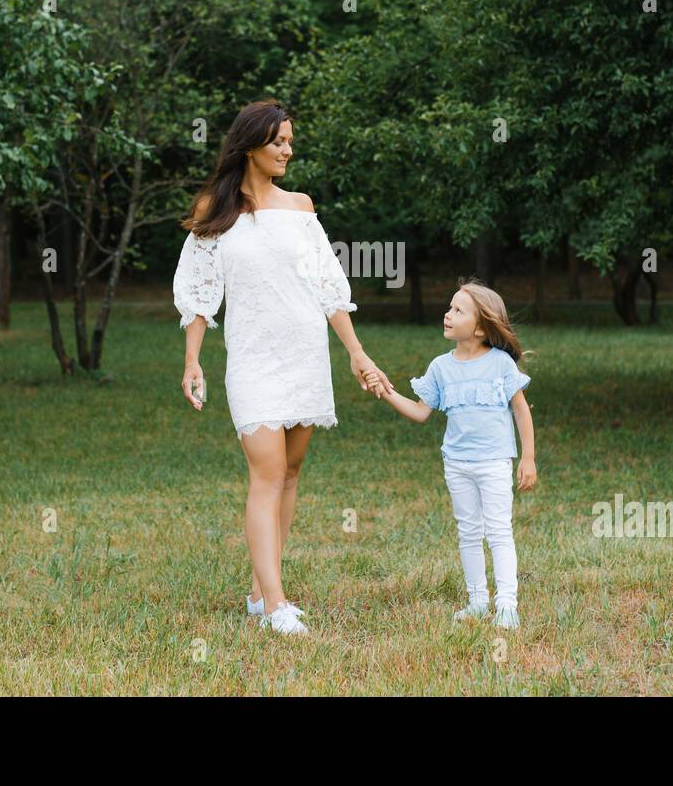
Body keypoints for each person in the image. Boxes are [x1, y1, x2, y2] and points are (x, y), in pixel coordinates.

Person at [174, 98, 394, 636]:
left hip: (305, 352)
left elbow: (327, 288)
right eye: (279, 142)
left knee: (290, 473)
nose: (288, 150)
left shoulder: (301, 207)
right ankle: (276, 605)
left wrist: (357, 352)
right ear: (250, 144)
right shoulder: (215, 211)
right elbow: (201, 293)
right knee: (267, 473)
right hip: (253, 359)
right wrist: (192, 361)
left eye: (291, 141)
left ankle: (258, 590)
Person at [366, 280, 536, 629]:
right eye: (449, 306)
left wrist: (528, 458)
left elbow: (521, 411)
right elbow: (420, 411)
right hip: (456, 465)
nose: (447, 313)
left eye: (458, 310)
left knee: (499, 531)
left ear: (478, 327)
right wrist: (385, 391)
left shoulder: (501, 364)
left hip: (494, 463)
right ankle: (477, 601)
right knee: (469, 532)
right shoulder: (441, 367)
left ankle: (506, 605)